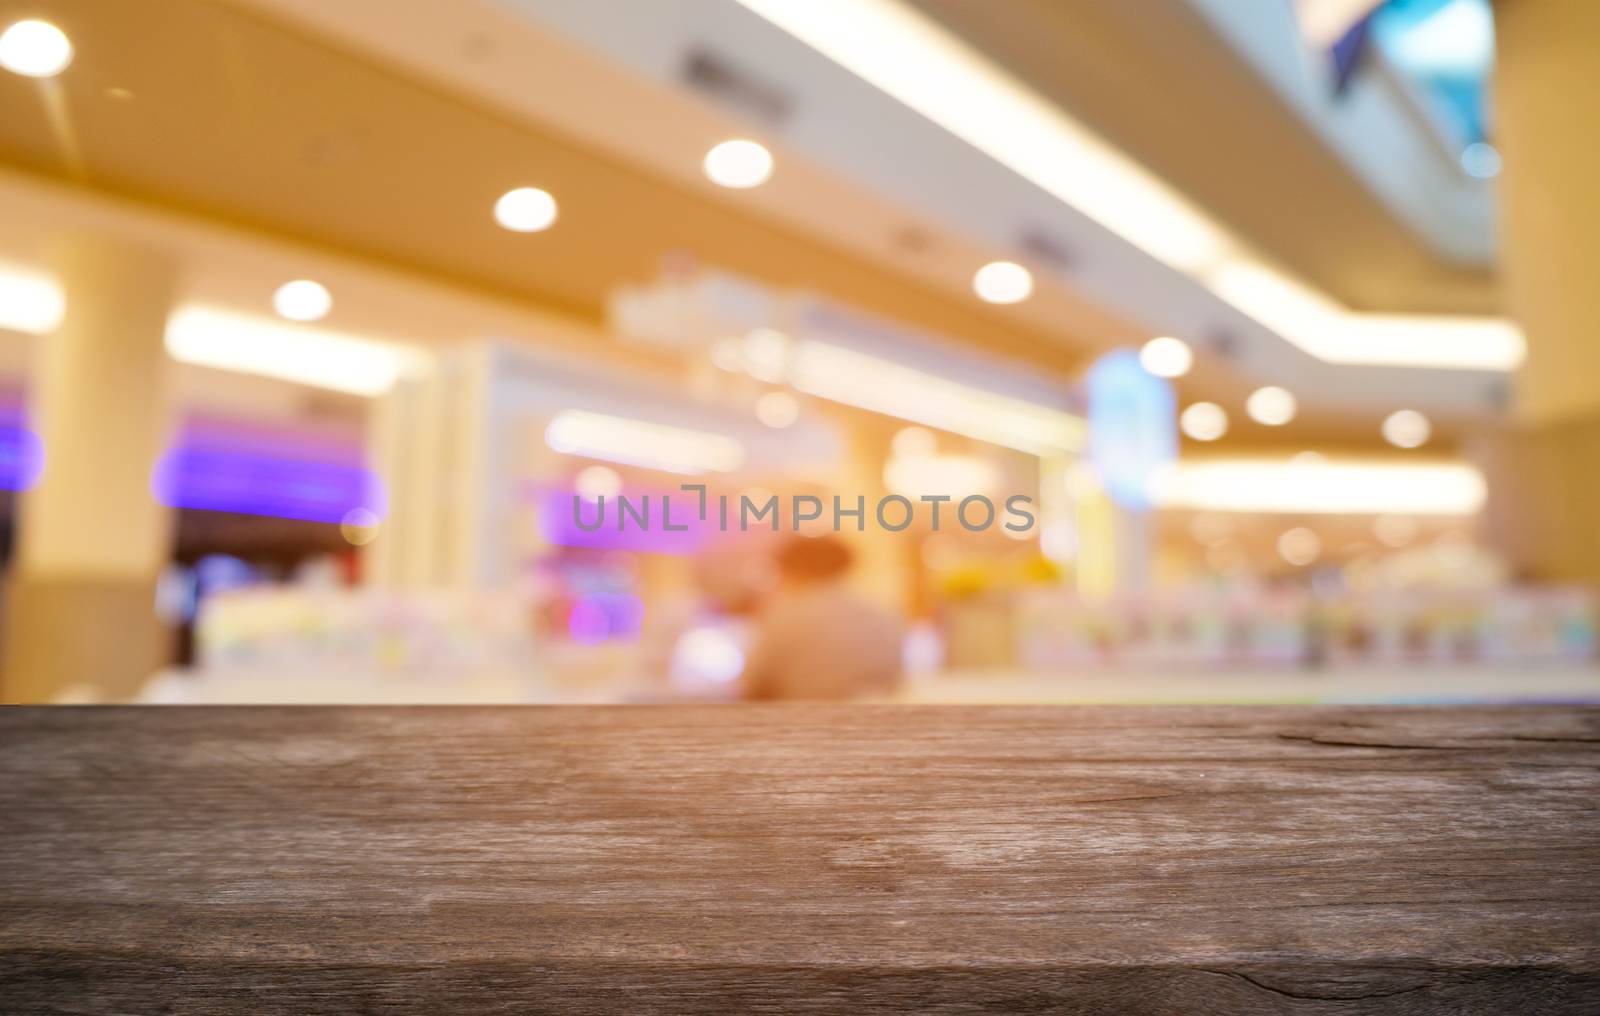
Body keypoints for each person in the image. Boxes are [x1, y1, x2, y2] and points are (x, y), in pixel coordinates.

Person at [740, 534, 904, 701]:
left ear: (795, 570)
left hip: (804, 719)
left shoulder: (789, 616)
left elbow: (753, 683)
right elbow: (895, 680)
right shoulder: (881, 614)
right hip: (872, 719)